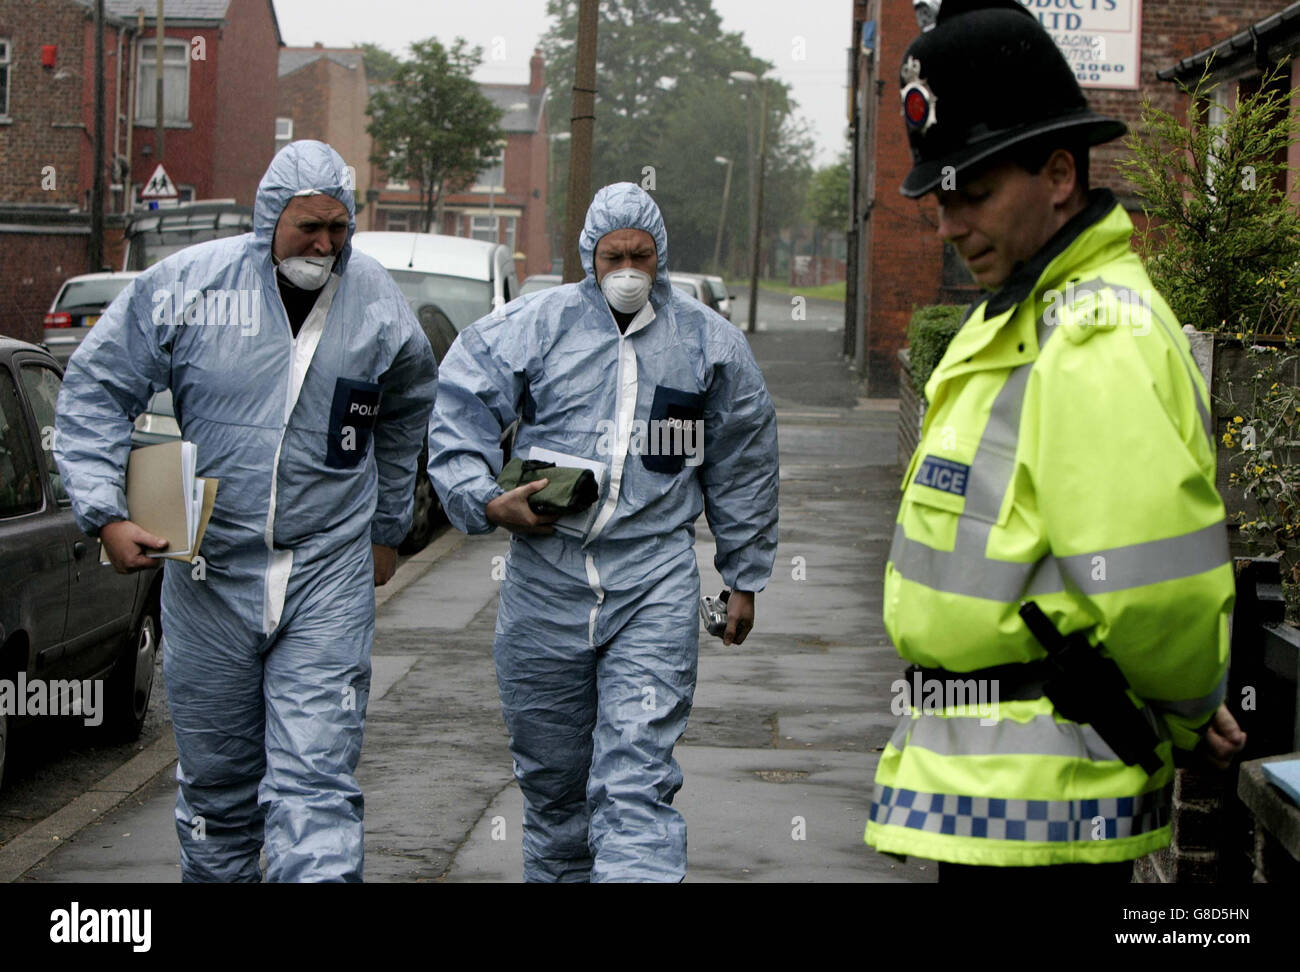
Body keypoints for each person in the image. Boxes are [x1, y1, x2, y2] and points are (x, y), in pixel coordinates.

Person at [864, 0, 1247, 883]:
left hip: (1050, 818)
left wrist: (1191, 715)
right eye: (941, 197)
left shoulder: (1095, 335)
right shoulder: (1019, 319)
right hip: (993, 802)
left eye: (976, 192)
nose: (950, 225)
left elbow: (1155, 587)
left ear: (1061, 175)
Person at [53, 140, 437, 882]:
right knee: (218, 792)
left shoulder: (377, 304)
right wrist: (105, 511)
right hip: (208, 572)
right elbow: (98, 388)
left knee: (316, 782)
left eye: (338, 228)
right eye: (307, 227)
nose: (324, 245)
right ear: (270, 221)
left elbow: (407, 411)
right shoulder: (193, 287)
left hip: (325, 571)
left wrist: (389, 527)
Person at [428, 182, 779, 882]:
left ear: (661, 257)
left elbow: (743, 460)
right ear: (588, 256)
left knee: (635, 779)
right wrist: (485, 501)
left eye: (640, 255)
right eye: (612, 255)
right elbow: (460, 404)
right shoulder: (536, 325)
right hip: (545, 579)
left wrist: (743, 577)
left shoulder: (708, 344)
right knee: (555, 789)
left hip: (653, 580)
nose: (627, 270)